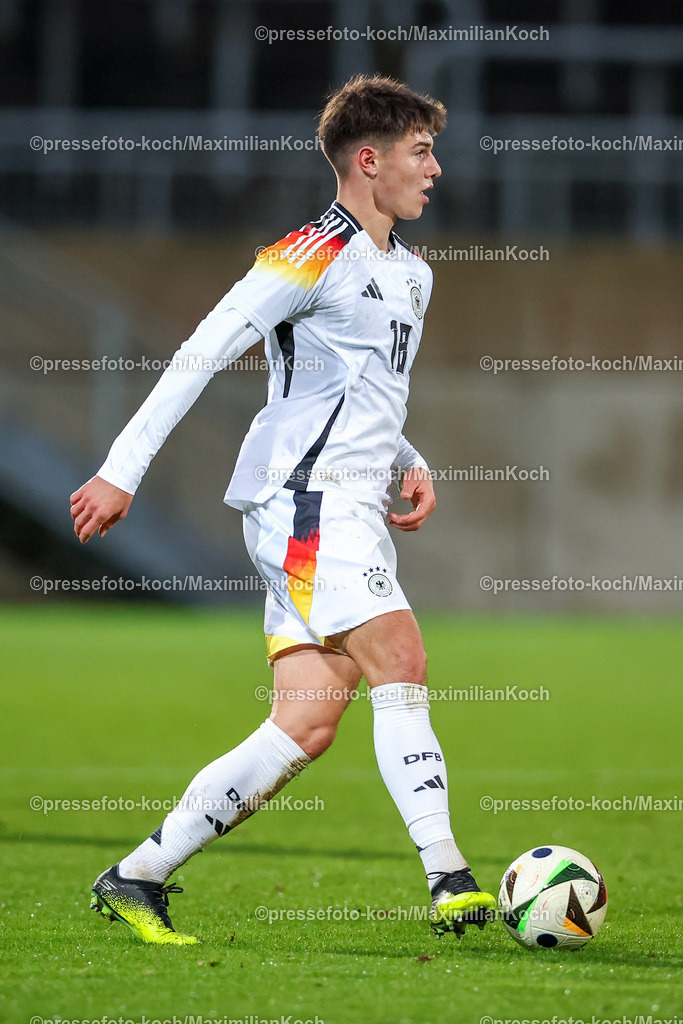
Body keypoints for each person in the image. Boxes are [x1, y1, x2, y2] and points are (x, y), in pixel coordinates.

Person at [70, 73, 496, 946]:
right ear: (367, 161)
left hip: (347, 504)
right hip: (303, 505)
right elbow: (201, 351)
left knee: (306, 721)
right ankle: (449, 876)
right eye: (421, 152)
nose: (436, 170)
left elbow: (361, 393)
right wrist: (121, 471)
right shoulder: (306, 252)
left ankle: (136, 874)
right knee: (401, 656)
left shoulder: (410, 271)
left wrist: (407, 462)